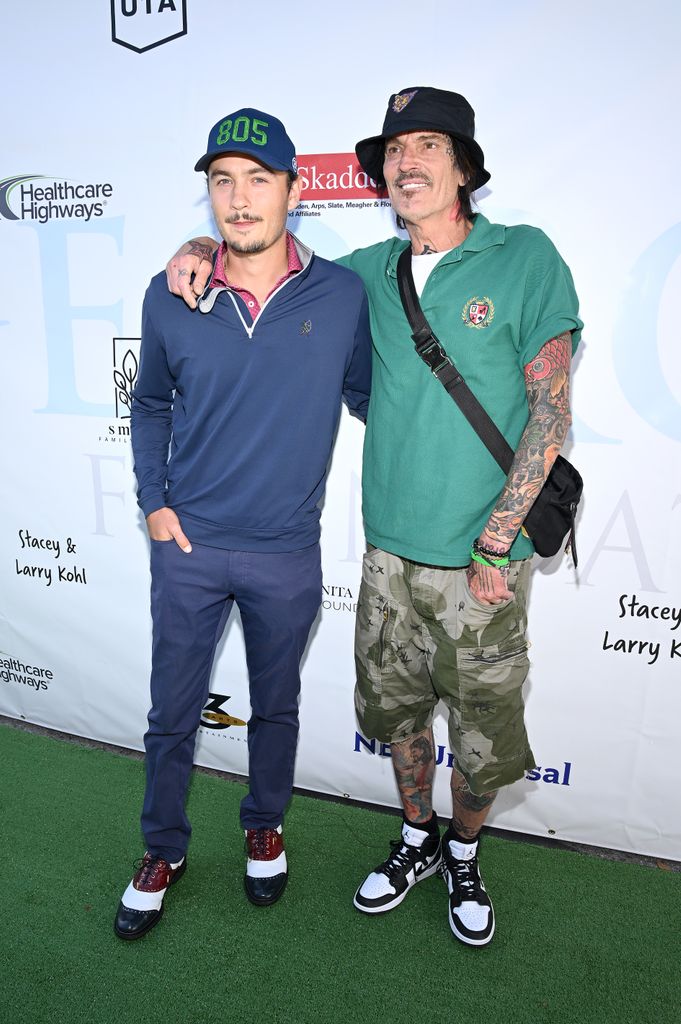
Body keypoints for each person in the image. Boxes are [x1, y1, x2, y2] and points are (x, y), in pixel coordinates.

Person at [165, 87, 582, 948]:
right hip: (387, 555)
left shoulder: (524, 257)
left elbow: (552, 411)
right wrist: (202, 242)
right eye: (394, 149)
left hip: (483, 560)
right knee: (394, 719)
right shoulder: (361, 277)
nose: (407, 161)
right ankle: (415, 837)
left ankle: (464, 848)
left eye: (428, 144)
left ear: (462, 167)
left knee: (480, 739)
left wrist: (497, 540)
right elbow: (266, 256)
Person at [114, 108, 372, 941]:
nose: (239, 197)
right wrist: (154, 501)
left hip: (287, 554)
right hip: (188, 548)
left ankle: (264, 822)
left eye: (258, 179)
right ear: (209, 196)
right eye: (222, 180)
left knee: (277, 706)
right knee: (170, 715)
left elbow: (375, 397)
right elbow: (149, 403)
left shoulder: (341, 294)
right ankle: (162, 848)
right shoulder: (173, 291)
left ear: (294, 191)